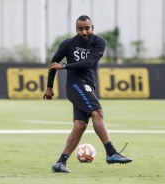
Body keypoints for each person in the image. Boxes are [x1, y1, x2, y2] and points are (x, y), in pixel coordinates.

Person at [43, 15, 132, 173]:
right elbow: (53, 62)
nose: (84, 31)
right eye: (80, 29)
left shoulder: (99, 42)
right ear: (76, 29)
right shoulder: (68, 44)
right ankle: (111, 152)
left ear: (92, 27)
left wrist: (64, 66)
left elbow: (89, 62)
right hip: (76, 85)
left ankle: (60, 162)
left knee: (80, 125)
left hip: (87, 85)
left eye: (87, 28)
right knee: (97, 112)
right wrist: (49, 86)